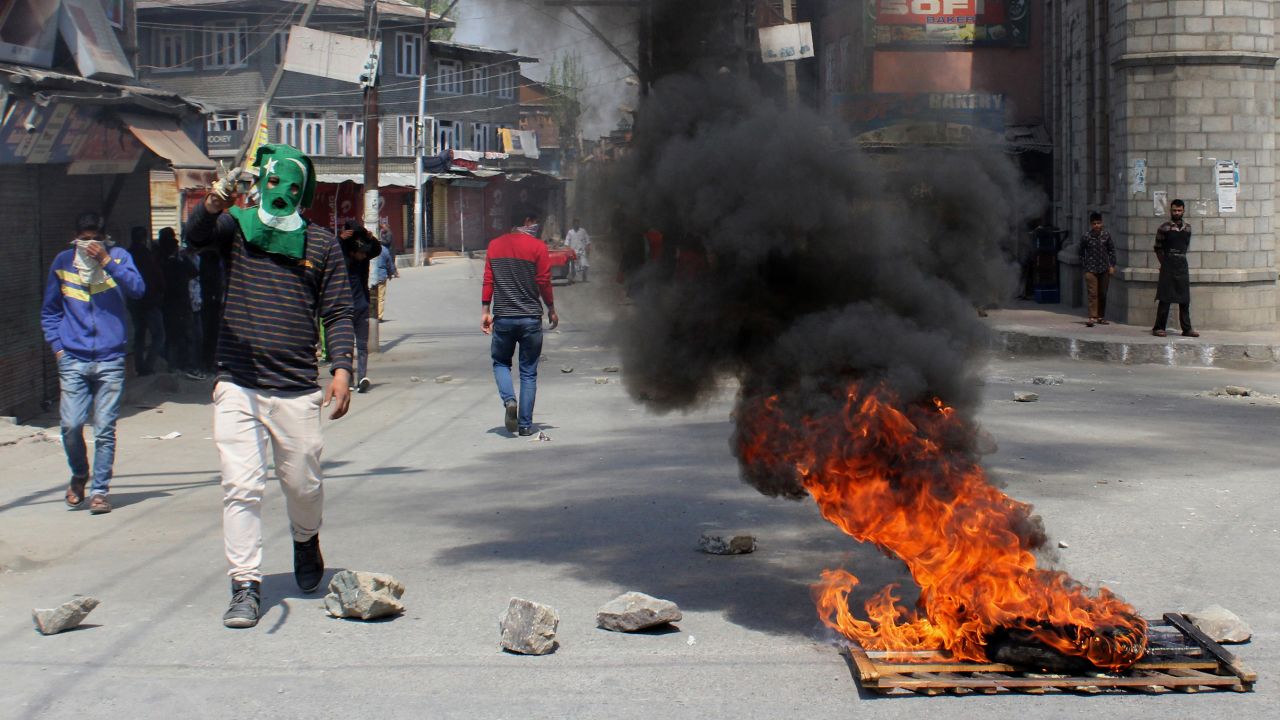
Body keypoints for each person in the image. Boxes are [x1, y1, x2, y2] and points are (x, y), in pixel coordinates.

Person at [184, 144, 355, 629]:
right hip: (237, 381)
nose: (280, 194)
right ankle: (245, 585)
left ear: (304, 194)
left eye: (291, 186)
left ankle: (306, 538)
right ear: (262, 182)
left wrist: (341, 368)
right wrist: (216, 198)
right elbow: (195, 237)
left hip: (297, 386)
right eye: (273, 182)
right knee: (241, 485)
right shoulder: (238, 229)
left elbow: (339, 312)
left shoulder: (320, 245)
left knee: (302, 482)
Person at [41, 210, 146, 515]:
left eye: (95, 240)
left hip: (110, 358)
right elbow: (50, 310)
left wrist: (106, 261)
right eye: (84, 240)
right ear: (76, 238)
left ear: (104, 239)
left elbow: (138, 290)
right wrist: (58, 348)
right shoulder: (63, 262)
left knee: (104, 428)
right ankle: (79, 475)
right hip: (73, 358)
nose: (89, 245)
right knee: (71, 425)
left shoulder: (119, 258)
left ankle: (99, 491)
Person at [481, 207, 559, 436]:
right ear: (526, 220)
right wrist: (551, 308)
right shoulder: (537, 247)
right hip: (531, 319)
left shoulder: (494, 246)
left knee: (501, 363)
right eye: (535, 222)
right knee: (528, 373)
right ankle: (525, 425)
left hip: (503, 317)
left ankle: (509, 401)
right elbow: (544, 281)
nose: (537, 227)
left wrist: (485, 310)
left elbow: (488, 280)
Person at [339, 219, 378, 391]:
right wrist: (340, 238)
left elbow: (376, 250)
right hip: (345, 308)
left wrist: (372, 238)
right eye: (361, 253)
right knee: (346, 347)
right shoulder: (343, 259)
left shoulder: (363, 260)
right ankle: (347, 380)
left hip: (362, 307)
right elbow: (330, 250)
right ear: (353, 251)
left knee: (362, 346)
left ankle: (362, 378)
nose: (364, 256)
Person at [1152, 199, 1199, 337]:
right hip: (1168, 263)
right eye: (1174, 210)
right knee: (1165, 297)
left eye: (1179, 210)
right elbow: (1158, 248)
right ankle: (1159, 328)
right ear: (1170, 211)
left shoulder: (1188, 228)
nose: (1177, 213)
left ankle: (1187, 329)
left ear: (1183, 211)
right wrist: (1164, 264)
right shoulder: (1164, 228)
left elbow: (1185, 245)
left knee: (1184, 299)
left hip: (1182, 264)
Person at [158, 227, 200, 375]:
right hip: (177, 302)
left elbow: (194, 272)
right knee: (183, 335)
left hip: (171, 303)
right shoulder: (171, 261)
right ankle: (185, 364)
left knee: (174, 336)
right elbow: (193, 272)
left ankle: (176, 364)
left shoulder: (164, 260)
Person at [128, 227, 166, 375]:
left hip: (134, 302)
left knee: (139, 334)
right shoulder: (147, 255)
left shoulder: (128, 254)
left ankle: (139, 366)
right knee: (159, 335)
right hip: (149, 302)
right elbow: (157, 277)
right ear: (144, 238)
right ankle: (148, 366)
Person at [1079, 211, 1117, 327]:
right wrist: (1085, 265)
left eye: (1098, 223)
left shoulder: (1106, 235)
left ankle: (1101, 316)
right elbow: (1081, 252)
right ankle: (1092, 317)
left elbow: (1112, 251)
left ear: (1102, 223)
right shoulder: (1086, 236)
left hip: (1104, 269)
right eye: (1094, 223)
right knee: (1092, 294)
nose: (1096, 225)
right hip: (1091, 270)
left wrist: (1112, 265)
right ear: (1091, 224)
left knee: (1103, 293)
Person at [370, 229, 399, 322]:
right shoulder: (385, 250)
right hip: (382, 277)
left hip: (370, 277)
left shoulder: (368, 249)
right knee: (381, 297)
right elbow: (389, 264)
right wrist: (391, 274)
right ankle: (379, 316)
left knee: (370, 296)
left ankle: (371, 314)